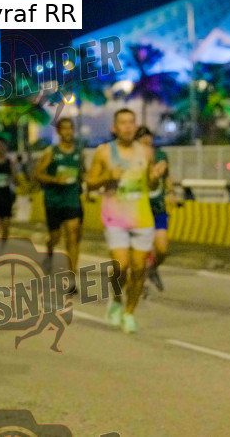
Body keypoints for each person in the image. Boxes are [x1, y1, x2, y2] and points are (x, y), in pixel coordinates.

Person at [85, 109, 165, 334]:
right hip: (115, 217)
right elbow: (90, 182)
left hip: (142, 217)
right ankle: (117, 299)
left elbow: (150, 184)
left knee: (139, 269)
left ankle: (129, 313)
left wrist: (155, 178)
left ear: (135, 126)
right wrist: (107, 177)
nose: (128, 127)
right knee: (121, 266)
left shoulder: (146, 152)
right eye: (123, 122)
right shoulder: (104, 152)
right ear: (114, 127)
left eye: (131, 122)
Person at [33, 118, 84, 293]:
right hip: (54, 201)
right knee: (55, 237)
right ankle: (49, 250)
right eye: (65, 129)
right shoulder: (51, 152)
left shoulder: (78, 152)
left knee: (72, 235)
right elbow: (37, 174)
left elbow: (82, 174)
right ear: (59, 132)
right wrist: (55, 179)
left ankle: (72, 278)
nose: (68, 132)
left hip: (72, 199)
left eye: (71, 128)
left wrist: (86, 190)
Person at [135, 126, 174, 295]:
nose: (146, 139)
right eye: (142, 137)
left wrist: (171, 192)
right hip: (139, 211)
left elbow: (166, 176)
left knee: (162, 249)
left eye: (148, 136)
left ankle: (152, 269)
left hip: (158, 210)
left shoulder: (160, 155)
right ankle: (141, 283)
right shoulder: (131, 158)